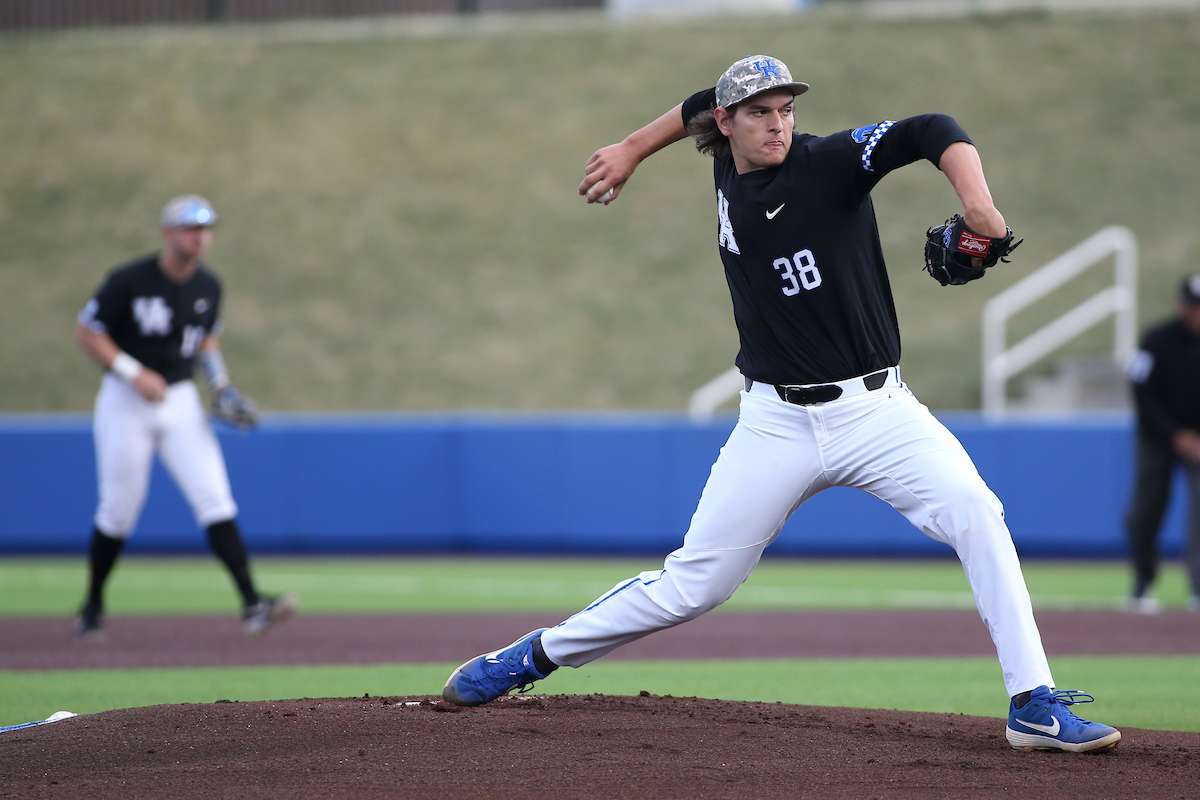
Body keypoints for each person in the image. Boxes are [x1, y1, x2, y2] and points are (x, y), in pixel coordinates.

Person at [440, 55, 1120, 753]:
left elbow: (930, 130)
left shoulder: (827, 164)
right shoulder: (726, 157)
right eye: (760, 112)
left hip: (879, 412)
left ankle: (1032, 702)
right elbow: (691, 106)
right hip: (775, 423)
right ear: (726, 124)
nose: (778, 123)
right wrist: (632, 149)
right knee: (694, 586)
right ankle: (534, 656)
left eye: (786, 108)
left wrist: (980, 206)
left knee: (978, 513)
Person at [74, 194, 297, 639]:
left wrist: (220, 386)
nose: (199, 236)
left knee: (214, 498)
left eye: (204, 229)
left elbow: (205, 343)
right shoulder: (129, 280)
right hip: (125, 398)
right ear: (168, 232)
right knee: (119, 509)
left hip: (178, 397)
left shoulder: (208, 286)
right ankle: (93, 605)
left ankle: (253, 604)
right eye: (190, 228)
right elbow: (88, 332)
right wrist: (132, 372)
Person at [1124, 274, 1200, 614]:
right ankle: (1143, 582)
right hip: (1157, 437)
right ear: (1182, 306)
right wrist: (1175, 435)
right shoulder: (1156, 340)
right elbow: (1141, 393)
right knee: (1145, 511)